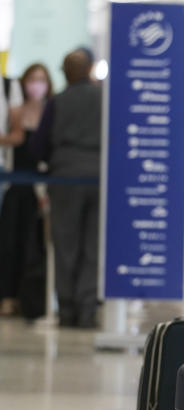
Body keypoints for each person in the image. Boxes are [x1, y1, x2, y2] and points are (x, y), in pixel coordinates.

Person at [30, 50, 102, 328]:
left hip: (65, 179)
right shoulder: (104, 99)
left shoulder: (57, 102)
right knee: (93, 245)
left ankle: (68, 309)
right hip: (98, 178)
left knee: (65, 244)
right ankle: (87, 309)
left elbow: (39, 144)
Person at [0, 63, 51, 317]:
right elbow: (14, 138)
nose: (36, 84)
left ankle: (29, 297)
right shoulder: (16, 112)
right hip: (15, 185)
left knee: (36, 244)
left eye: (41, 79)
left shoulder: (51, 111)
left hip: (39, 189)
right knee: (10, 242)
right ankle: (8, 295)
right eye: (32, 79)